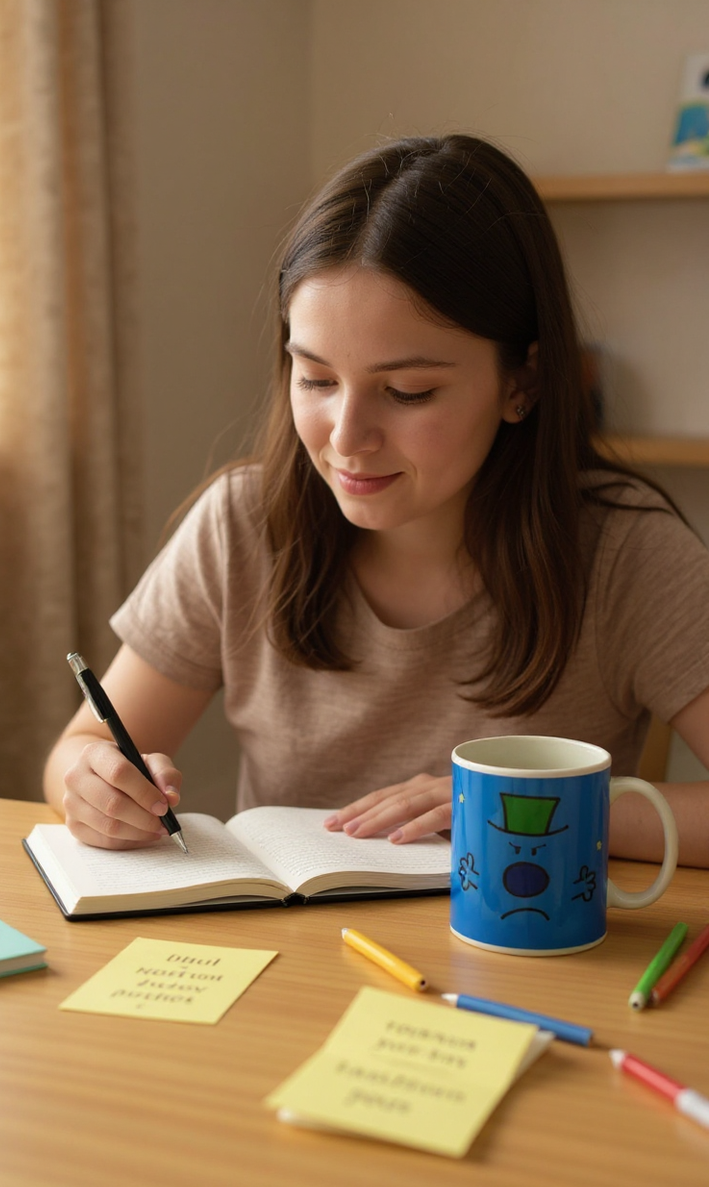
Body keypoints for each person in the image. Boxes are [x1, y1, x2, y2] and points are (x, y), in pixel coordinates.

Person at [42, 134, 709, 867]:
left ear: (523, 381)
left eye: (407, 392)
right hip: (297, 968)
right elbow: (82, 750)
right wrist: (93, 785)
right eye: (317, 379)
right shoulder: (242, 525)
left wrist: (520, 804)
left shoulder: (629, 556)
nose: (347, 438)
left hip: (521, 965)